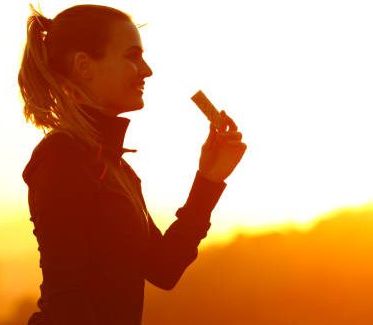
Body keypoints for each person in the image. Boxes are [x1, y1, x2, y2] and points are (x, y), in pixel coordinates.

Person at [18, 4, 246, 325]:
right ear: (84, 66)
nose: (147, 70)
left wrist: (209, 179)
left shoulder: (116, 168)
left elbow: (164, 269)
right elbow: (67, 303)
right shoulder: (62, 157)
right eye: (132, 56)